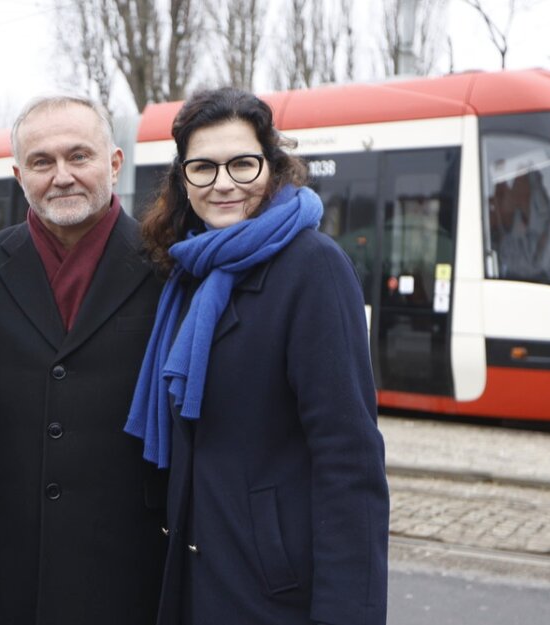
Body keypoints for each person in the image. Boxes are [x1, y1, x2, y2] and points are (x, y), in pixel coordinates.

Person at [126, 87, 389, 625]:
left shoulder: (313, 267)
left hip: (273, 594)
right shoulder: (187, 274)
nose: (223, 183)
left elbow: (349, 461)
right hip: (196, 579)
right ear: (182, 179)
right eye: (202, 168)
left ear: (271, 167)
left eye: (242, 164)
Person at [0, 95, 167, 625]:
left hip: (133, 552)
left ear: (114, 164)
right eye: (42, 162)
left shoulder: (167, 266)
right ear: (18, 175)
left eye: (80, 156)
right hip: (12, 552)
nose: (62, 176)